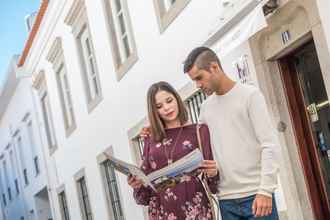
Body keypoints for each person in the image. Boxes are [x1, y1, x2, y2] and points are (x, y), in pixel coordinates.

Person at [183, 47, 280, 220]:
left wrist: (266, 190)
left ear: (214, 67)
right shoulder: (205, 108)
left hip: (256, 196)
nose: (198, 85)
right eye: (194, 81)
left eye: (199, 78)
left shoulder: (250, 95)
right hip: (226, 201)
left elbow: (269, 145)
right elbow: (194, 144)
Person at [128, 81, 219, 219]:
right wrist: (137, 185)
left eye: (169, 101)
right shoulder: (149, 138)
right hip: (161, 212)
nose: (166, 108)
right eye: (159, 106)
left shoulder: (199, 131)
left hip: (196, 210)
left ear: (176, 98)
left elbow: (213, 186)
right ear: (154, 111)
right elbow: (144, 197)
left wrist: (213, 173)